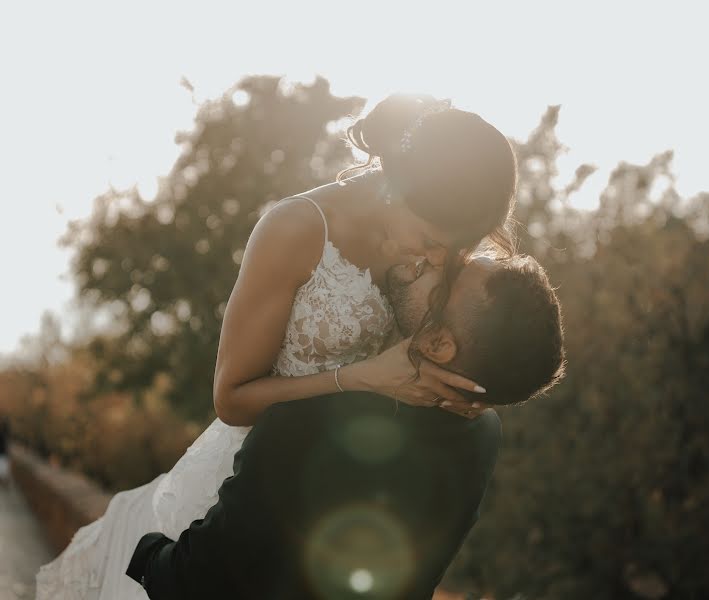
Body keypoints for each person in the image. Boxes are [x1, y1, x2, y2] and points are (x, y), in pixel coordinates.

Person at [35, 93, 521, 599]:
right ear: (399, 186)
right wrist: (357, 377)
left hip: (347, 498)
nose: (435, 258)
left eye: (449, 248)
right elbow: (231, 399)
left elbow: (451, 345)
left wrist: (463, 393)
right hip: (250, 495)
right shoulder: (297, 228)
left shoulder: (444, 237)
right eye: (427, 238)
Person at [126, 254, 566, 599]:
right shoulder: (484, 434)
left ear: (438, 344)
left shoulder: (307, 418)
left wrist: (143, 552)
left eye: (451, 272)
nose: (438, 257)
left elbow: (203, 579)